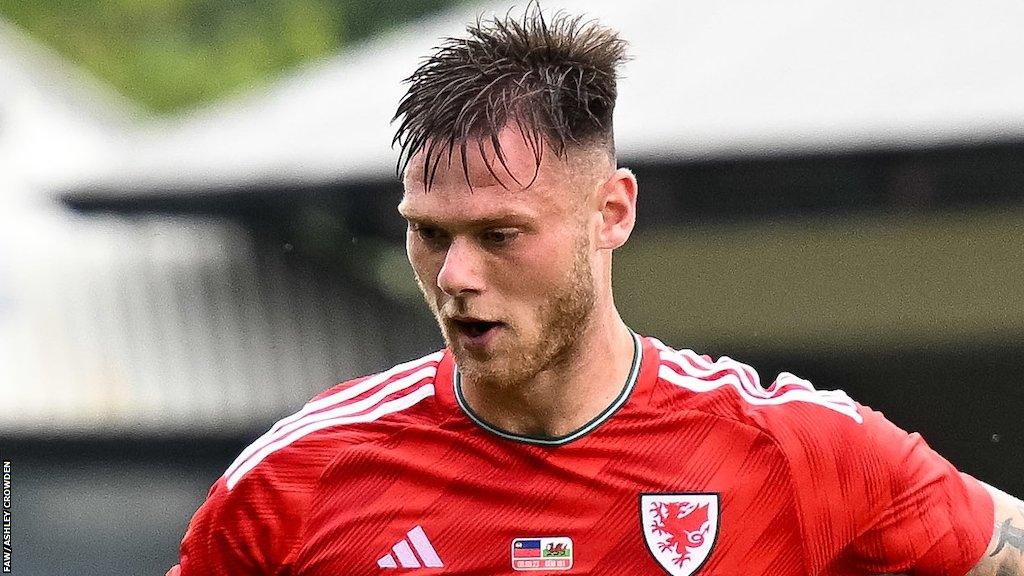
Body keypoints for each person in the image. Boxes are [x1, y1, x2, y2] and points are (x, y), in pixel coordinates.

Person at [168, 7, 1024, 576]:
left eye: (500, 235)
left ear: (611, 212)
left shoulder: (793, 451)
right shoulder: (299, 479)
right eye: (430, 233)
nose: (456, 277)